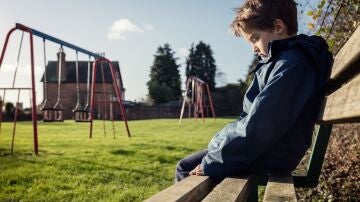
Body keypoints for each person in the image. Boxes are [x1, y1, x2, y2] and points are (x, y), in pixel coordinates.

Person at [175, 0, 333, 182]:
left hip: (271, 153)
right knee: (190, 164)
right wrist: (218, 146)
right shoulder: (279, 62)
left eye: (255, 38)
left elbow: (262, 126)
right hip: (265, 149)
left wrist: (212, 163)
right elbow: (252, 121)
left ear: (278, 26)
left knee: (186, 168)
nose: (254, 48)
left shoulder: (292, 64)